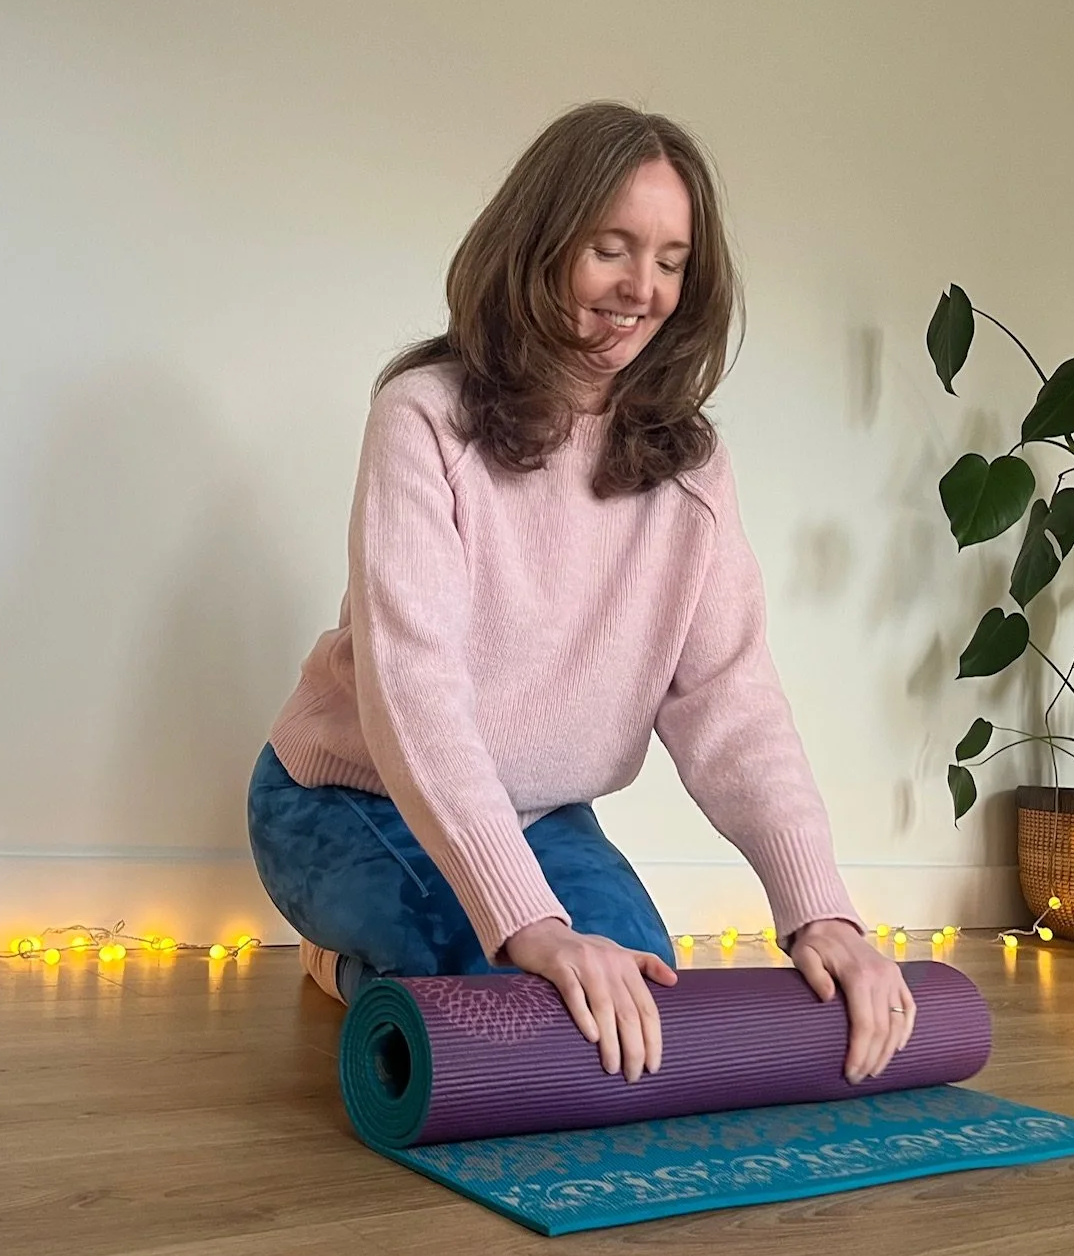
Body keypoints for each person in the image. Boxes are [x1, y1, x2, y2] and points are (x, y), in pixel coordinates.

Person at [247, 101, 915, 1088]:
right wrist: (527, 928)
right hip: (346, 799)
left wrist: (819, 911)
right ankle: (352, 967)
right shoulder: (423, 416)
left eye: (671, 261)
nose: (640, 289)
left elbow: (731, 700)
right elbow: (412, 693)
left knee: (636, 1003)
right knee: (528, 996)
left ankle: (444, 952)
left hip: (539, 813)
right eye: (610, 248)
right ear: (539, 244)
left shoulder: (692, 469)